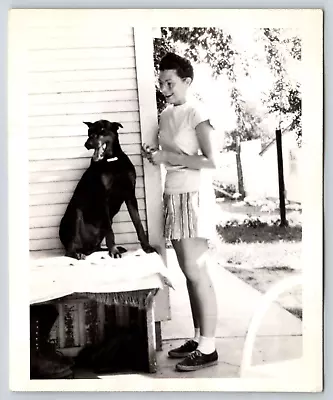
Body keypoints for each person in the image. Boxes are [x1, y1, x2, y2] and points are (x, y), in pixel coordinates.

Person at [142, 52, 219, 372]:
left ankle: (210, 347)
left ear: (187, 81)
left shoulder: (196, 112)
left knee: (196, 270)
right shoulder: (165, 115)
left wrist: (166, 158)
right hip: (172, 194)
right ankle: (199, 337)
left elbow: (210, 161)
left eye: (170, 82)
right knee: (188, 274)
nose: (164, 88)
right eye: (161, 83)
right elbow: (171, 155)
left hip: (193, 195)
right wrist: (156, 156)